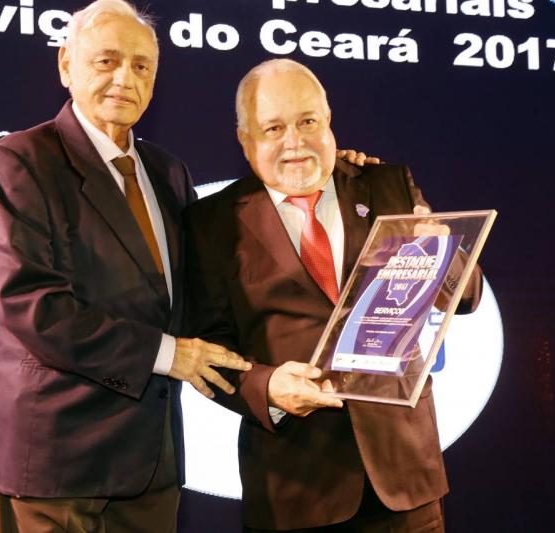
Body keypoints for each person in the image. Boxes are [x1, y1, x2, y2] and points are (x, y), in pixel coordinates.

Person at [0, 1, 253, 531]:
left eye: (141, 65)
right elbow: (34, 308)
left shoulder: (169, 172)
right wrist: (168, 354)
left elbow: (196, 295)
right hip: (60, 465)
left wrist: (327, 178)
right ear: (66, 64)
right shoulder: (21, 161)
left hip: (151, 466)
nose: (125, 78)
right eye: (106, 61)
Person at [184, 59, 483, 532]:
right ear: (245, 140)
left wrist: (444, 254)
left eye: (307, 121)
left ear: (328, 120)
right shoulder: (210, 224)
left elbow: (465, 297)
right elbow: (208, 349)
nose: (294, 141)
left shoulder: (386, 184)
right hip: (295, 489)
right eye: (273, 128)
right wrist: (268, 389)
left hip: (403, 480)